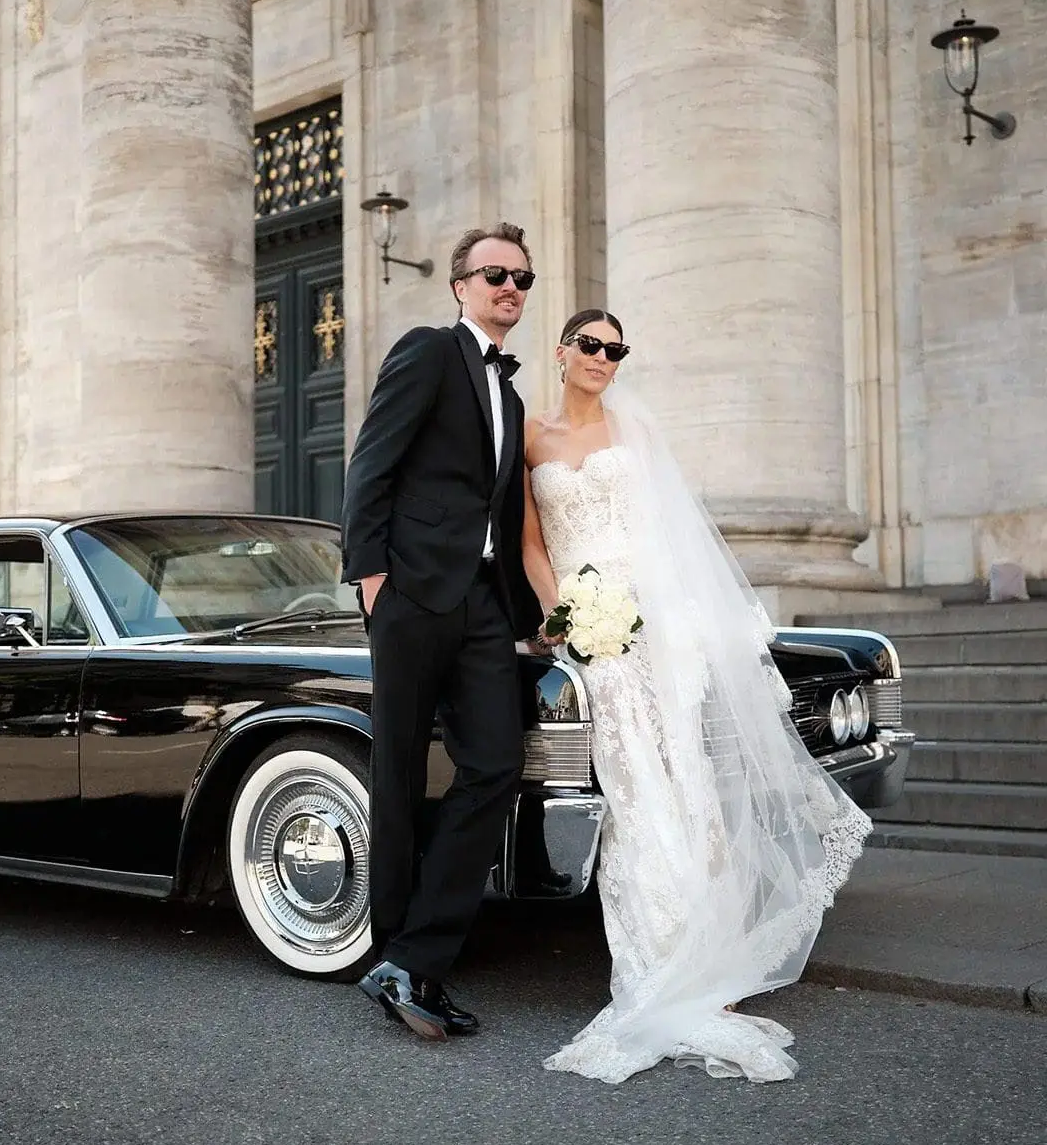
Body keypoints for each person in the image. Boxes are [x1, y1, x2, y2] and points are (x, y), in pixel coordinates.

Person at [522, 309, 872, 1083]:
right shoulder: (530, 437)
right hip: (591, 634)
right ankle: (657, 960)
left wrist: (659, 611)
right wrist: (564, 617)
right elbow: (531, 544)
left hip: (654, 623)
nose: (602, 359)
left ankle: (710, 964)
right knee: (634, 788)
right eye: (590, 345)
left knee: (686, 783)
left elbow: (666, 532)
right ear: (562, 350)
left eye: (616, 350)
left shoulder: (636, 433)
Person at [341, 222, 542, 1041]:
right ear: (460, 284)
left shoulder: (515, 394)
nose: (510, 288)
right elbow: (371, 461)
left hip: (484, 607)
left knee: (494, 763)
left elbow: (506, 514)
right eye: (495, 273)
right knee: (395, 775)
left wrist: (533, 618)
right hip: (415, 595)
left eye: (524, 278)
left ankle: (412, 958)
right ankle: (403, 960)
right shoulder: (429, 350)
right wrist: (372, 577)